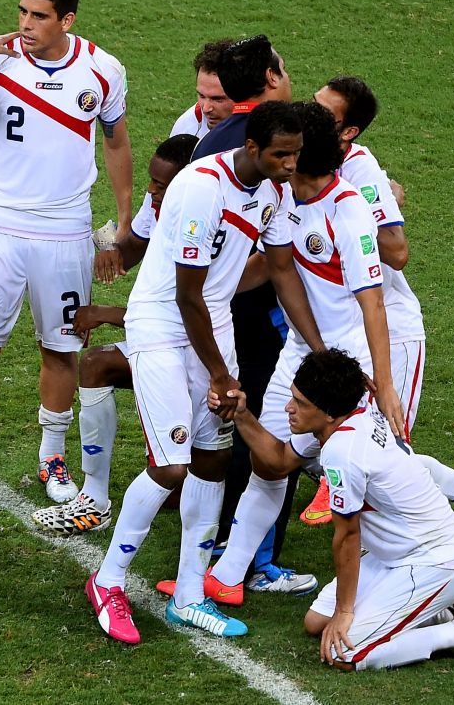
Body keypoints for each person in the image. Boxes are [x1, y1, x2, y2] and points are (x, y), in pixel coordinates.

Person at [85, 103, 305, 644]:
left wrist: (317, 348)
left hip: (215, 324)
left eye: (296, 154)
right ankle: (108, 582)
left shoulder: (274, 192)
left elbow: (278, 268)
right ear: (252, 147)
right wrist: (221, 375)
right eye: (282, 154)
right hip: (163, 324)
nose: (291, 164)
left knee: (212, 462)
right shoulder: (202, 187)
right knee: (171, 467)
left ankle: (188, 596)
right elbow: (187, 295)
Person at [0, 0, 133, 506]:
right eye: (21, 11)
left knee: (62, 349)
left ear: (66, 18)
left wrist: (122, 220)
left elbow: (116, 144)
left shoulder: (103, 70)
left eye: (39, 16)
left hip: (66, 234)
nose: (25, 23)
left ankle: (52, 455)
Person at [302, 77, 454, 547]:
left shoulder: (357, 169)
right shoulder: (302, 156)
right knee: (309, 444)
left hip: (389, 326)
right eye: (313, 104)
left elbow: (397, 252)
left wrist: (357, 203)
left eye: (326, 113)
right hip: (339, 325)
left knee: (384, 455)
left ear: (349, 132)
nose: (312, 114)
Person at [202, 101, 405, 608]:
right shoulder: (280, 194)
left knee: (372, 482)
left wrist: (383, 382)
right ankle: (227, 576)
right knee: (269, 464)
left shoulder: (348, 209)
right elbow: (273, 265)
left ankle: (416, 571)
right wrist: (208, 296)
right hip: (299, 352)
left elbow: (373, 302)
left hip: (343, 367)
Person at [218, 349, 454, 669]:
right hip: (394, 555)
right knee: (315, 622)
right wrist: (241, 413)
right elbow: (278, 461)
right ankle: (434, 606)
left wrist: (345, 612)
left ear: (330, 414)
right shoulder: (356, 406)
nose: (288, 409)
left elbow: (347, 536)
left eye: (301, 404)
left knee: (343, 654)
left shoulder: (343, 452)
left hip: (436, 562)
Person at [31, 133, 197, 534]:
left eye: (160, 186)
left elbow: (182, 309)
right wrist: (100, 250)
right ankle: (94, 497)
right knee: (97, 364)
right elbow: (132, 246)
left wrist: (105, 313)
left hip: (195, 349)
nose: (150, 192)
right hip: (170, 339)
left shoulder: (199, 230)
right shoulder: (165, 207)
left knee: (182, 476)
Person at [189, 34, 307, 594]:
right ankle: (253, 561)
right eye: (281, 69)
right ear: (268, 79)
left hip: (205, 308)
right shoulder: (279, 150)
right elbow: (281, 253)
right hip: (250, 314)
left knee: (219, 424)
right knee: (258, 428)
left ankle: (209, 540)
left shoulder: (209, 142)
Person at [170, 39, 235, 141]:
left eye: (217, 99)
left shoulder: (266, 125)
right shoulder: (186, 129)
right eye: (202, 96)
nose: (206, 108)